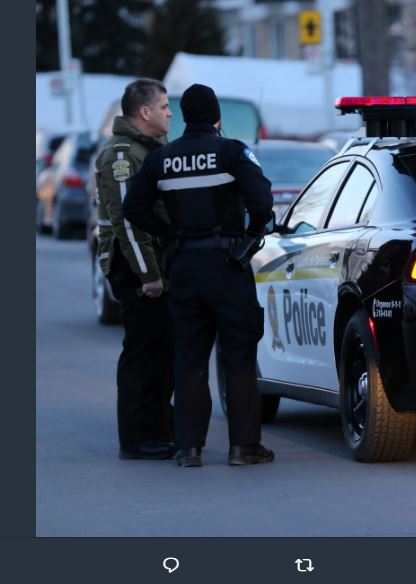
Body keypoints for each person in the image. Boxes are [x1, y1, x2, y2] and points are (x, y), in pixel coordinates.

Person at [122, 84, 275, 467]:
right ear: (217, 117)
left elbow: (132, 207)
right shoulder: (232, 151)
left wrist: (168, 233)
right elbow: (262, 201)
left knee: (189, 359)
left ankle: (189, 448)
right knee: (238, 358)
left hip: (185, 267)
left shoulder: (163, 158)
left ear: (185, 117)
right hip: (228, 265)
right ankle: (244, 448)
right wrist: (252, 233)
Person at [94, 78, 176, 460]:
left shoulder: (148, 150)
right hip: (134, 266)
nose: (169, 113)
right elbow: (129, 221)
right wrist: (150, 276)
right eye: (163, 107)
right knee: (143, 351)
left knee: (161, 348)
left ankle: (159, 427)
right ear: (144, 113)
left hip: (151, 263)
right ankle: (138, 437)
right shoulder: (124, 155)